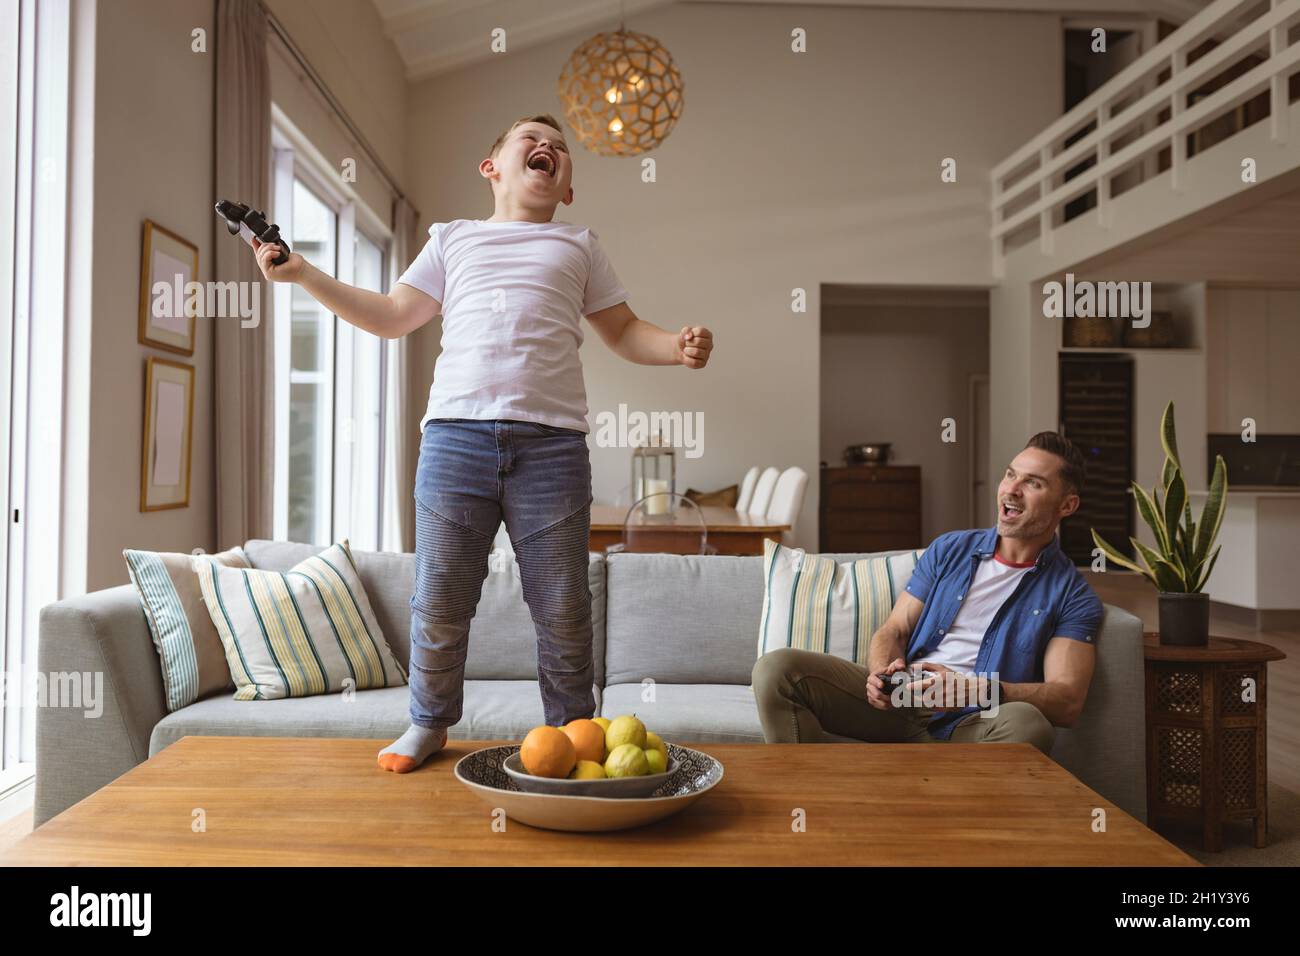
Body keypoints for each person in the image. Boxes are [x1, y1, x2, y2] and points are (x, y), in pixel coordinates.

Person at [253, 113, 714, 772]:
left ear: (568, 188)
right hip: (454, 443)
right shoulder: (453, 238)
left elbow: (623, 329)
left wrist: (675, 347)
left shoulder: (579, 244)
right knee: (439, 595)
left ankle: (575, 734)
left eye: (560, 148)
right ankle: (429, 723)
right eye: (531, 138)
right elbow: (390, 316)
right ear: (491, 165)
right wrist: (303, 275)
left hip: (551, 451)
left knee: (562, 604)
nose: (548, 147)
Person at [752, 431, 1103, 755]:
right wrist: (881, 674)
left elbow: (1067, 700)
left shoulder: (1072, 595)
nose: (1012, 489)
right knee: (777, 669)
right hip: (904, 699)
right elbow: (895, 629)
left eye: (1033, 483)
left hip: (974, 719)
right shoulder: (951, 548)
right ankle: (812, 795)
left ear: (1067, 506)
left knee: (1028, 724)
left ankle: (923, 789)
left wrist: (981, 689)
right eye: (1011, 475)